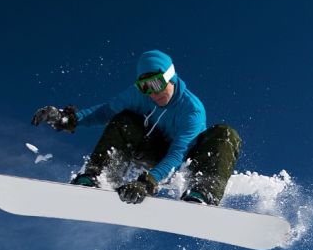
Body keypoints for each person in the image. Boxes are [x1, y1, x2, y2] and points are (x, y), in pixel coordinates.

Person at [31, 50, 241, 206]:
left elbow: (178, 153)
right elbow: (105, 111)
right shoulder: (138, 95)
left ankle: (202, 193)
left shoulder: (191, 110)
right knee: (124, 119)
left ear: (170, 77)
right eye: (145, 87)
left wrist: (147, 182)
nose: (152, 93)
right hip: (154, 150)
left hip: (187, 160)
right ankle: (100, 176)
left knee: (225, 134)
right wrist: (68, 119)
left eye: (157, 84)